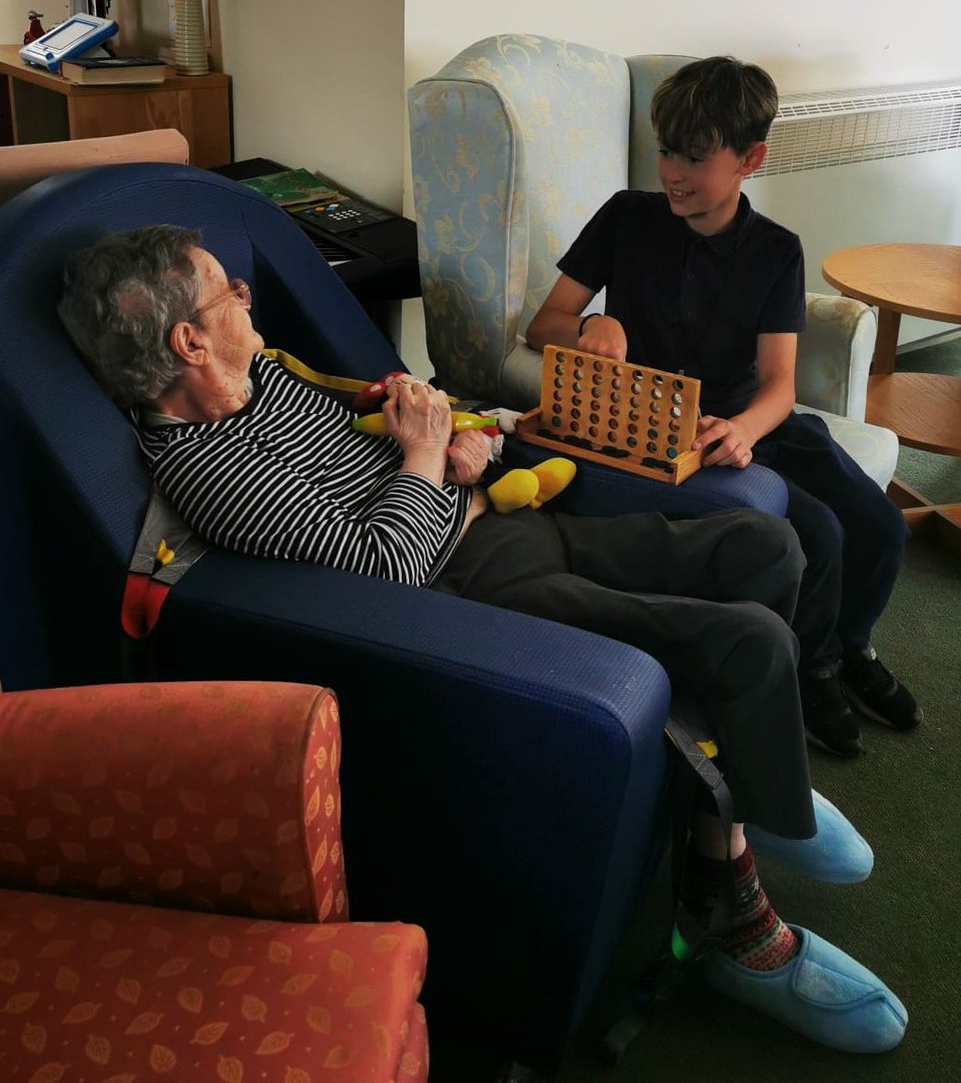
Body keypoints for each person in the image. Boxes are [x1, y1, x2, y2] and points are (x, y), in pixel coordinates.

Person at [58, 224, 907, 1053]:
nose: (247, 298)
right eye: (228, 293)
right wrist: (428, 459)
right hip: (471, 589)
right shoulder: (206, 466)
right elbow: (387, 567)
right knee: (749, 640)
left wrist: (456, 446)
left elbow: (387, 461)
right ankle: (736, 906)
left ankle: (742, 787)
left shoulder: (269, 377)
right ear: (190, 342)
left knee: (764, 543)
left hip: (505, 522)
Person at [526, 55, 920, 759]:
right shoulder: (626, 217)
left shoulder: (776, 251)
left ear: (749, 159)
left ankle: (851, 647)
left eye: (694, 157)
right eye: (666, 152)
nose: (672, 173)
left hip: (751, 422)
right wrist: (589, 326)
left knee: (883, 526)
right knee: (820, 533)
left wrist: (742, 429)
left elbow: (779, 385)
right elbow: (542, 324)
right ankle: (812, 670)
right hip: (662, 428)